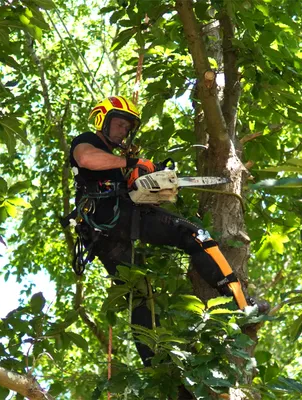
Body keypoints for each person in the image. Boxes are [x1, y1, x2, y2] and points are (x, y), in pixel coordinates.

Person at [67, 96, 257, 398]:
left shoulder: (118, 161)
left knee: (143, 296)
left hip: (118, 227)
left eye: (127, 127)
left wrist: (149, 182)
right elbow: (87, 159)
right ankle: (244, 306)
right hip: (108, 225)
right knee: (192, 238)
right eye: (118, 123)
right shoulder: (87, 141)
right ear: (103, 119)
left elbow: (133, 188)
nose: (122, 131)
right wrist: (131, 163)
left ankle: (175, 388)